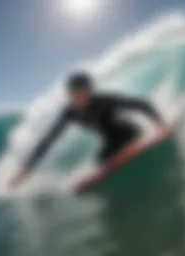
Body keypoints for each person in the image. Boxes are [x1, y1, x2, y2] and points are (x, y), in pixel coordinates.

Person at [9, 71, 170, 188]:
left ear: (89, 91)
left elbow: (142, 104)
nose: (78, 97)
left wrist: (160, 125)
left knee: (121, 140)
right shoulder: (69, 113)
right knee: (101, 159)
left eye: (82, 92)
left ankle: (130, 147)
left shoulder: (105, 100)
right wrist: (26, 169)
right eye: (73, 93)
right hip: (110, 141)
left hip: (129, 132)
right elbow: (49, 139)